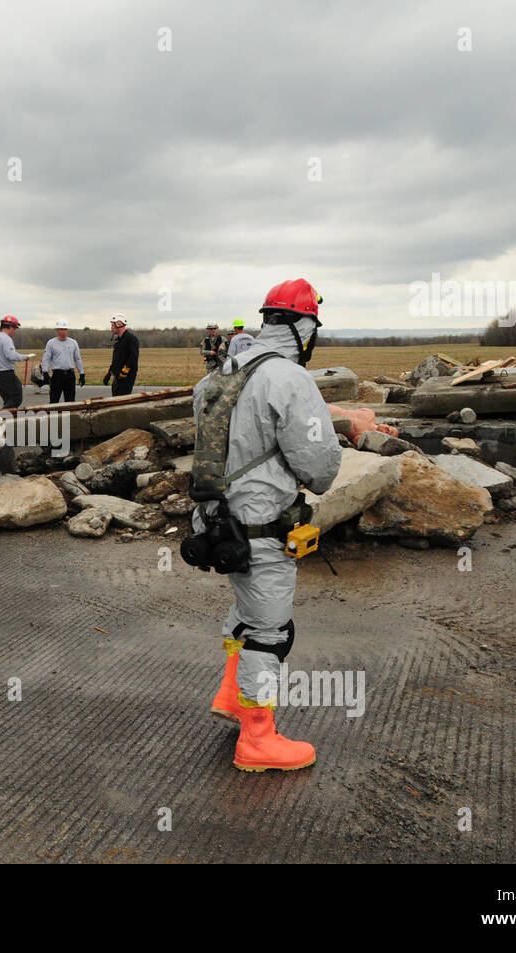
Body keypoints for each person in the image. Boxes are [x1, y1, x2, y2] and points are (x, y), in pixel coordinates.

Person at [195, 278, 341, 772]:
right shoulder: (290, 378)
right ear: (304, 326)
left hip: (218, 523)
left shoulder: (221, 372)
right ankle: (257, 738)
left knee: (245, 611)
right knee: (270, 632)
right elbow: (320, 468)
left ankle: (232, 696)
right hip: (261, 528)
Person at [0, 315, 31, 409]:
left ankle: (7, 420)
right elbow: (11, 355)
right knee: (16, 398)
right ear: (9, 326)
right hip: (6, 374)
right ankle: (0, 417)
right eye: (14, 328)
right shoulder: (6, 339)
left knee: (8, 400)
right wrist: (25, 357)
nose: (14, 331)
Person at [40, 319, 85, 403]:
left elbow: (78, 359)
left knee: (70, 402)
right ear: (57, 330)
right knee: (54, 401)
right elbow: (46, 358)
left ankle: (68, 416)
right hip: (57, 375)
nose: (63, 332)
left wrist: (82, 373)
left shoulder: (73, 343)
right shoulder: (51, 343)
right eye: (61, 329)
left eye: (65, 329)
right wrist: (45, 372)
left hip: (70, 375)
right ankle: (53, 416)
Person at [102, 314, 139, 395]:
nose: (111, 327)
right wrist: (109, 374)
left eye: (112, 325)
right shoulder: (118, 341)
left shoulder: (131, 339)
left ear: (119, 324)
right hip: (118, 376)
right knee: (115, 397)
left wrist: (125, 371)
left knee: (122, 399)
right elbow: (116, 360)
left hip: (127, 377)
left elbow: (133, 357)